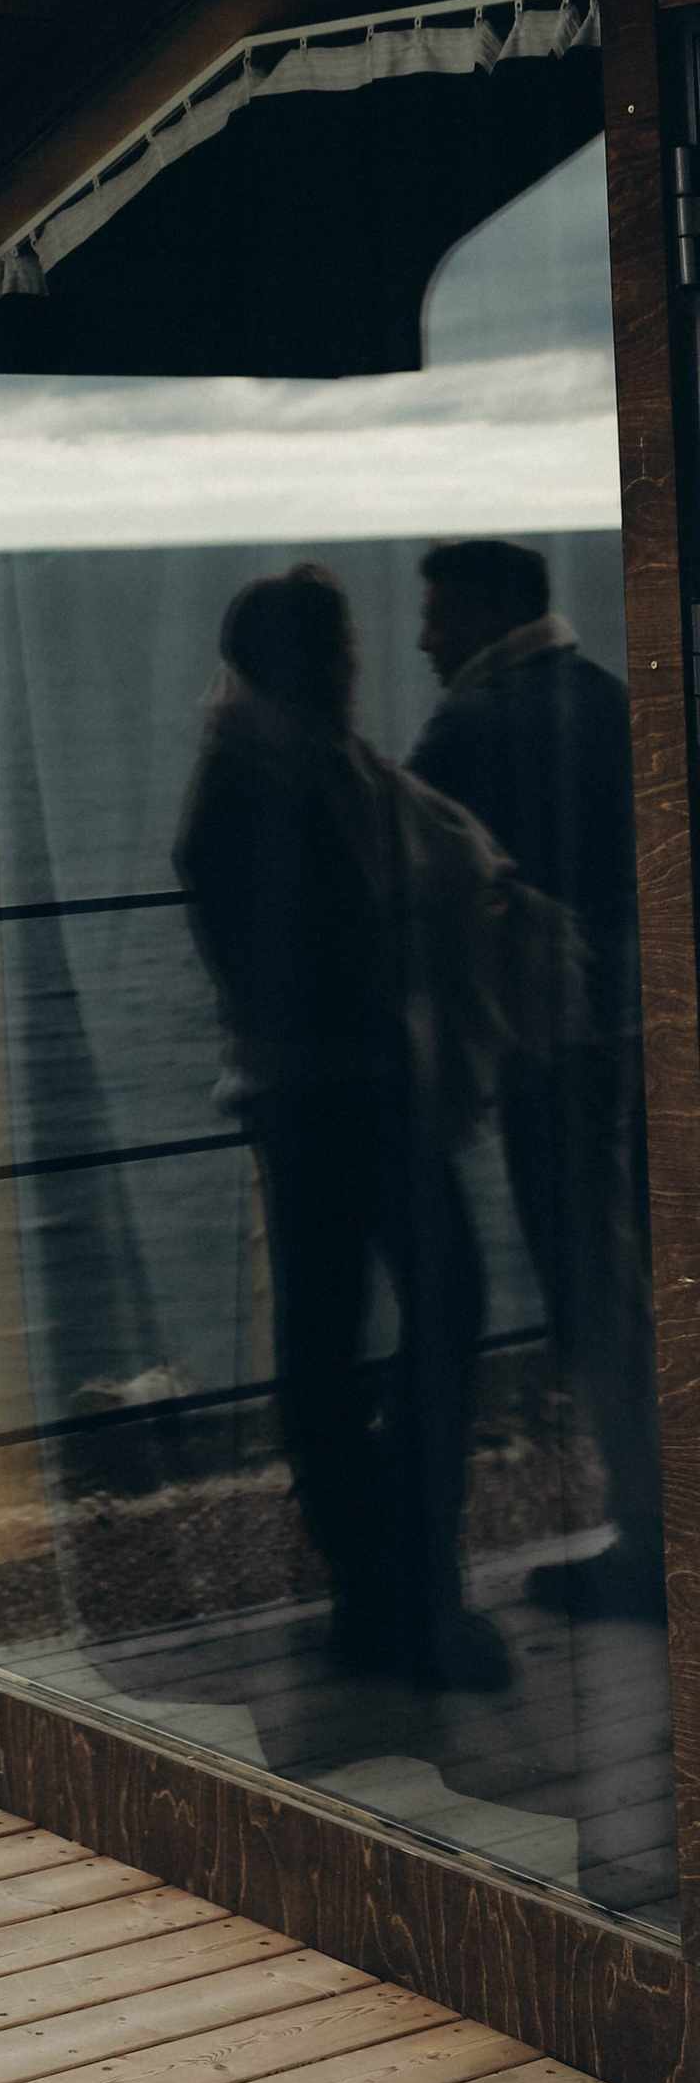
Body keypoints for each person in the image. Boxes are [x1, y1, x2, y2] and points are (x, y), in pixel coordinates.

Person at [175, 563, 518, 1692]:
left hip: (316, 1096)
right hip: (341, 1095)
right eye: (342, 653)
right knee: (405, 1319)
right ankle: (396, 1592)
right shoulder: (273, 786)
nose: (358, 670)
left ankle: (387, 1587)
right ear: (311, 664)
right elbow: (301, 961)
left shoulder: (285, 768)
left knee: (331, 1338)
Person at [410, 538, 661, 1620]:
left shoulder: (468, 729)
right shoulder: (611, 698)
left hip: (552, 1039)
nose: (422, 638)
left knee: (587, 1283)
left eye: (435, 615)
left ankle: (647, 1537)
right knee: (645, 1269)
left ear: (480, 616)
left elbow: (401, 881)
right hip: (649, 1026)